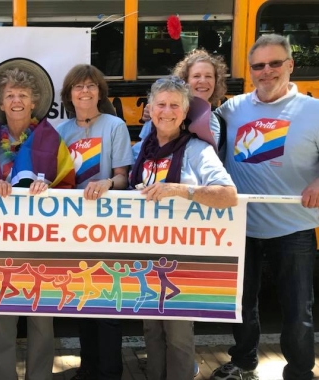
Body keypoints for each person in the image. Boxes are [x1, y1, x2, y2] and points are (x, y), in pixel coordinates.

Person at [210, 34, 319, 380]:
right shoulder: (232, 108)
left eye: (275, 64)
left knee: (297, 309)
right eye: (258, 66)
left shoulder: (314, 110)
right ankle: (243, 361)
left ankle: (300, 371)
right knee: (241, 304)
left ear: (290, 65)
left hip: (295, 226)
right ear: (250, 70)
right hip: (241, 224)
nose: (266, 71)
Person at [0, 58, 75, 380]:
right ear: (0, 103)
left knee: (42, 317)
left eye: (24, 95)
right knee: (3, 317)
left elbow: (69, 184)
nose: (17, 101)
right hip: (0, 243)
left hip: (42, 243)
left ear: (35, 102)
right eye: (11, 95)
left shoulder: (53, 140)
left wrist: (50, 188)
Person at [129, 77, 237, 380]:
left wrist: (181, 190)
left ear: (185, 110)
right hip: (144, 254)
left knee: (177, 335)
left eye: (174, 105)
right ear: (149, 108)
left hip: (183, 259)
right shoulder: (141, 148)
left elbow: (228, 196)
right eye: (160, 104)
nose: (166, 111)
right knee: (151, 331)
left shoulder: (197, 149)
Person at [57, 64, 133, 380]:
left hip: (106, 227)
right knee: (82, 302)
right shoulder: (61, 132)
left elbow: (123, 176)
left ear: (100, 92)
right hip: (73, 227)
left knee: (106, 306)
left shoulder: (114, 126)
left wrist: (107, 184)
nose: (85, 91)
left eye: (91, 86)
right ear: (69, 94)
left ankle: (109, 372)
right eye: (78, 87)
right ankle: (88, 368)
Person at [134, 49, 228, 161]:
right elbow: (141, 154)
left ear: (216, 82)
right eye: (196, 76)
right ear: (185, 80)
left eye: (208, 76)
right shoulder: (162, 116)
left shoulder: (219, 122)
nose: (203, 81)